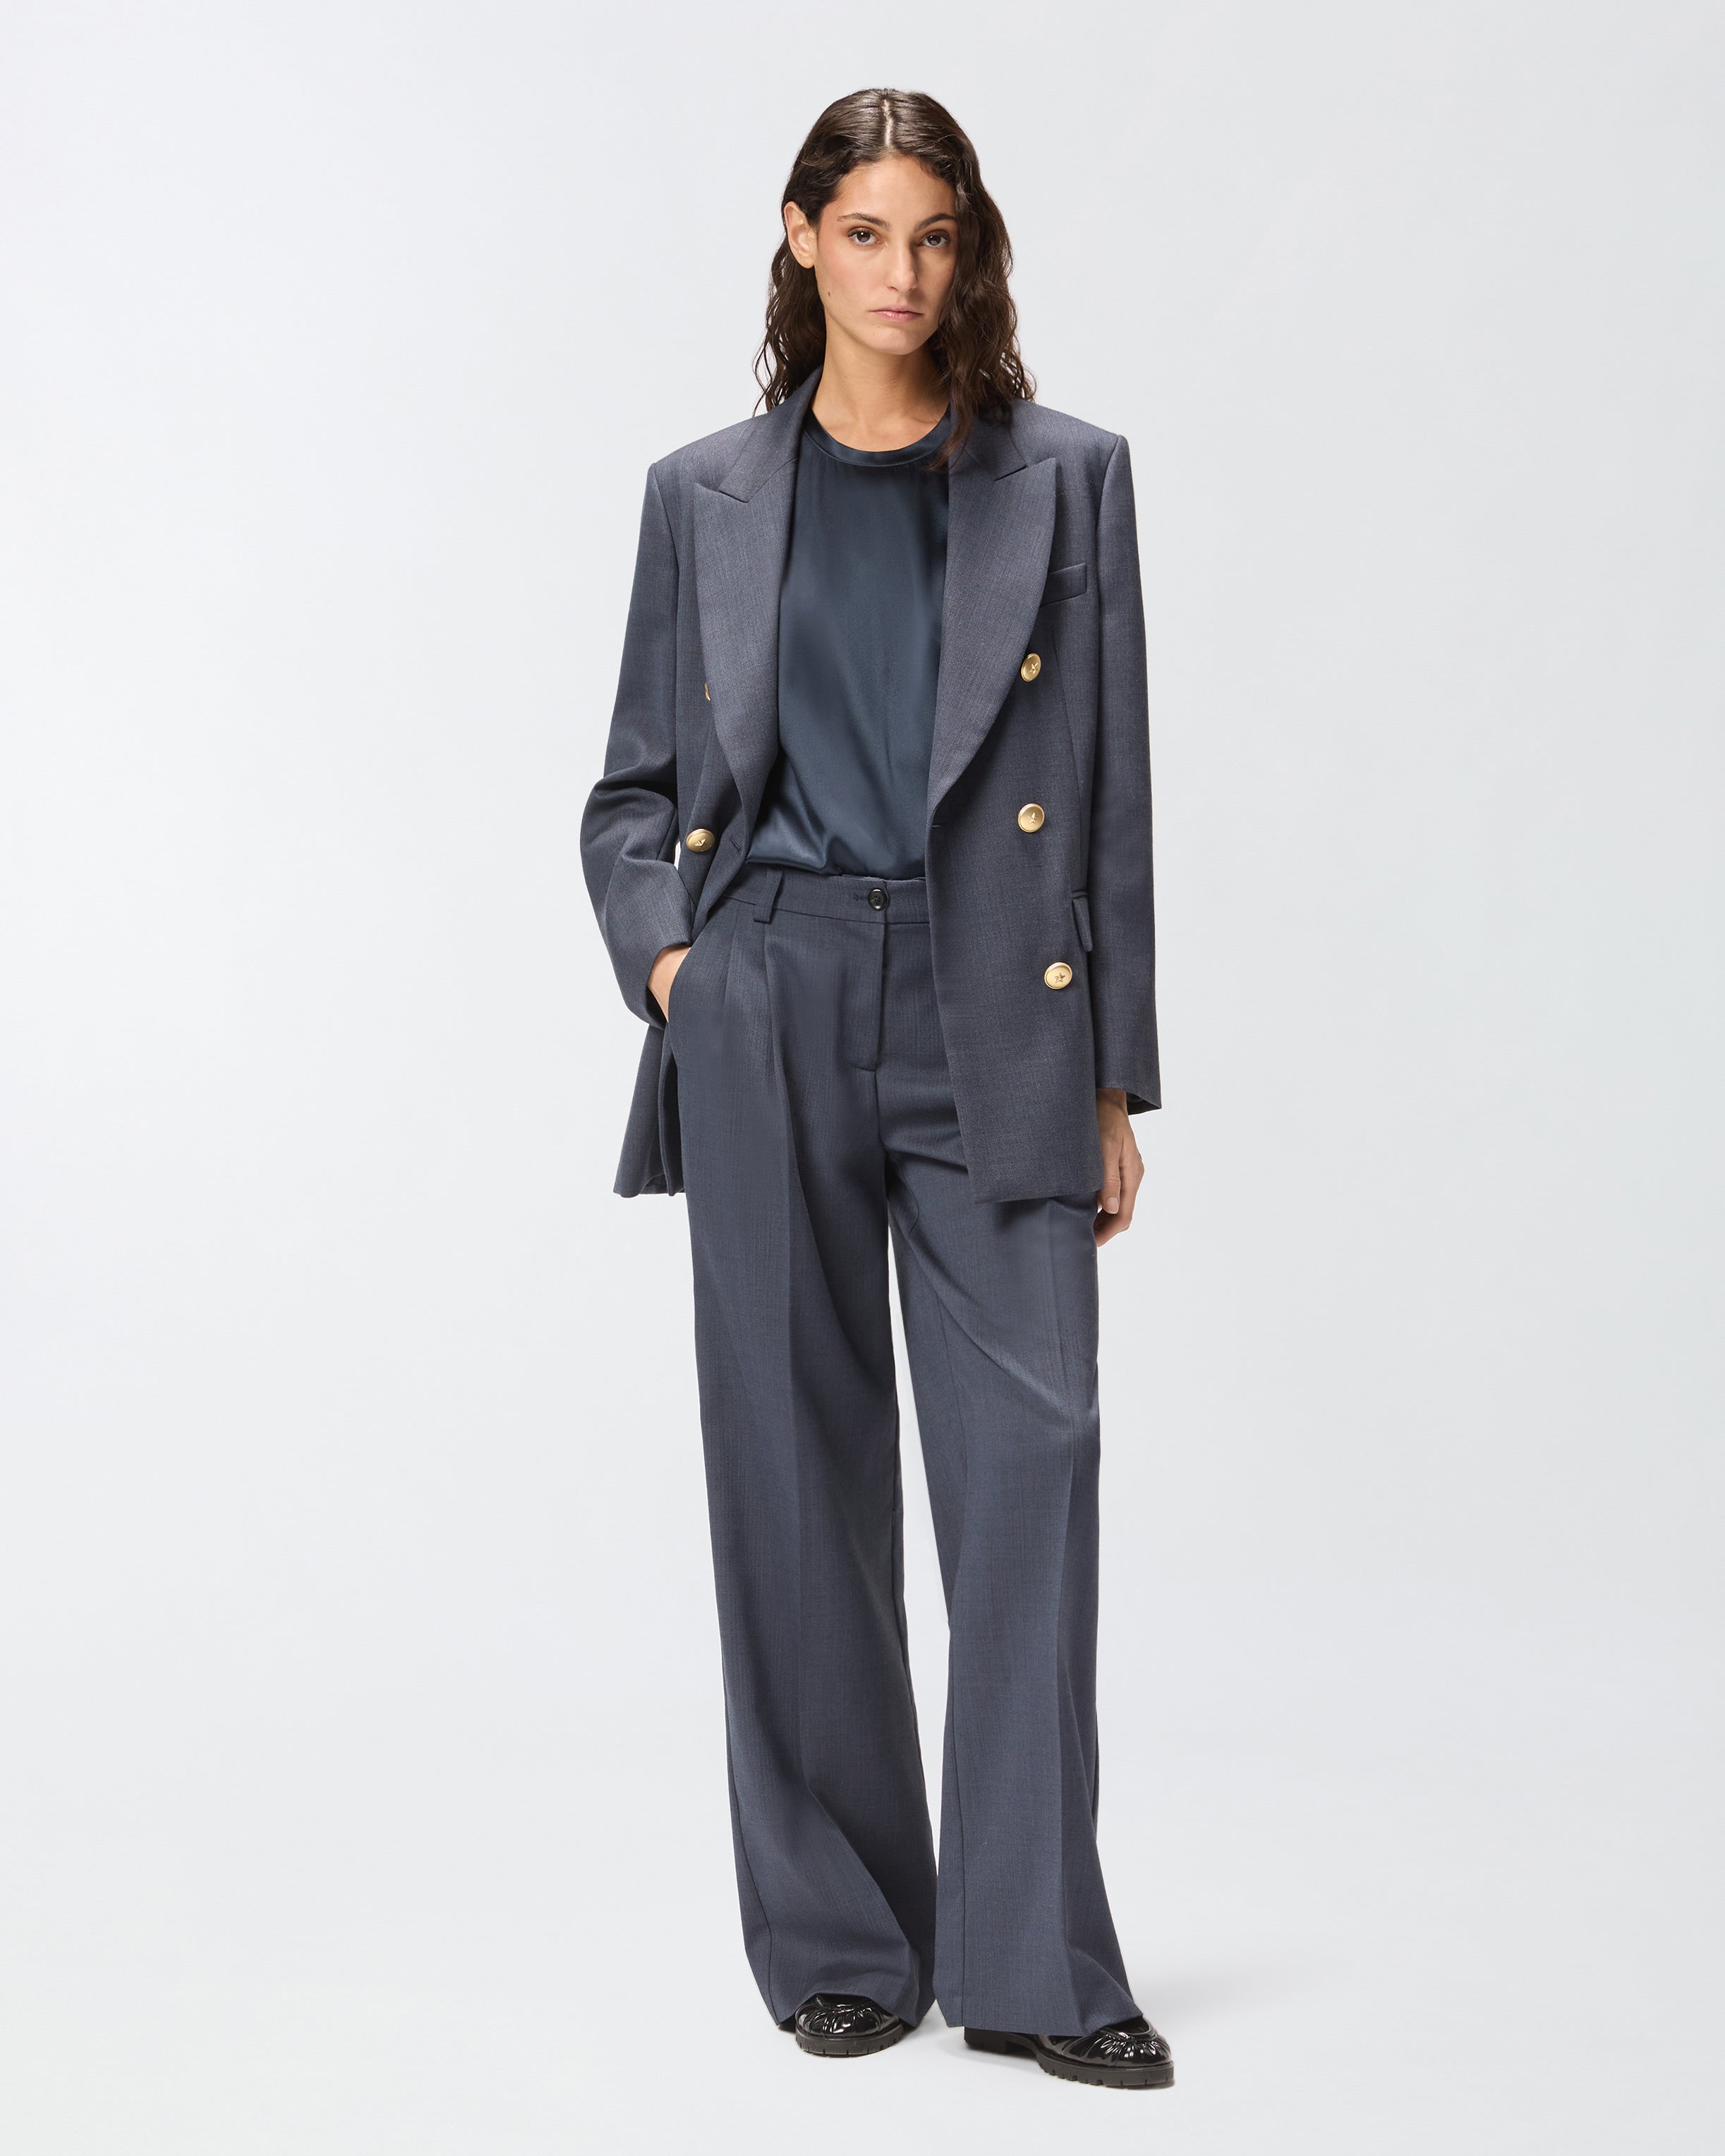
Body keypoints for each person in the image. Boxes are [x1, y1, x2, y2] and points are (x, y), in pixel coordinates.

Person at [581, 87, 1171, 2091]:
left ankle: (1038, 1961)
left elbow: (1110, 799)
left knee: (1036, 1461)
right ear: (800, 236)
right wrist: (682, 966)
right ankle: (842, 1938)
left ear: (967, 248)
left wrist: (1118, 1082)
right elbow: (633, 790)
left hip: (1001, 1001)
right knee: (792, 1469)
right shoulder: (704, 495)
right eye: (866, 233)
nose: (903, 273)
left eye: (934, 236)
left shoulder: (1065, 480)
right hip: (771, 991)